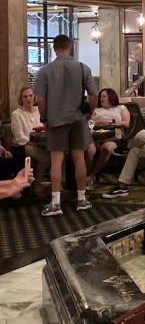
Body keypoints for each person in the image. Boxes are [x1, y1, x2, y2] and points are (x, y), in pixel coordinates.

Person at [34, 34, 98, 217]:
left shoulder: (45, 70)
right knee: (79, 157)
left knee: (56, 159)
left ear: (54, 48)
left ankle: (55, 203)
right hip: (78, 118)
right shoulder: (82, 68)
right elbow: (94, 95)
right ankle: (81, 199)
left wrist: (44, 118)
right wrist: (89, 112)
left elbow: (41, 99)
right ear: (70, 47)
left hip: (56, 119)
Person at [85, 88, 131, 185]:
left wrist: (112, 121)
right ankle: (86, 178)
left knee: (107, 148)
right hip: (96, 138)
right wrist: (99, 122)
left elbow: (127, 123)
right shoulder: (96, 109)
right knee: (90, 150)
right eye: (101, 96)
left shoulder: (120, 108)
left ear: (111, 97)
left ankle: (91, 176)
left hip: (114, 137)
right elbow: (88, 122)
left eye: (104, 96)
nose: (102, 98)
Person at [11, 85, 50, 198]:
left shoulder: (39, 110)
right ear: (21, 99)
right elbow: (20, 138)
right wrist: (34, 143)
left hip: (40, 144)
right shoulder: (16, 114)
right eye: (25, 96)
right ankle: (36, 185)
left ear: (34, 97)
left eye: (30, 96)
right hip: (22, 146)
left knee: (60, 153)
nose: (28, 99)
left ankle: (58, 186)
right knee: (47, 158)